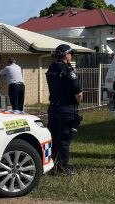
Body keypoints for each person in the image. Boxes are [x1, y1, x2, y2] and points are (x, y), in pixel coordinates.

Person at [46, 44, 83, 175]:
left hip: (53, 108)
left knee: (54, 138)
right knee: (65, 139)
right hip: (66, 109)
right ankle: (63, 167)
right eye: (70, 53)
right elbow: (78, 93)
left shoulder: (51, 67)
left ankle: (49, 165)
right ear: (66, 55)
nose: (71, 56)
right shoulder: (68, 70)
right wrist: (77, 103)